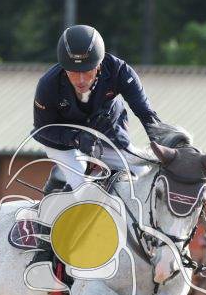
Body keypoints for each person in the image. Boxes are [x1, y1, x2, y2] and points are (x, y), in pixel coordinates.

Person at [34, 24, 173, 193]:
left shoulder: (120, 71)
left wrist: (166, 147)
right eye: (73, 72)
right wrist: (76, 138)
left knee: (143, 175)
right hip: (63, 141)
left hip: (107, 134)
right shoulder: (48, 84)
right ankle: (59, 179)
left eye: (87, 71)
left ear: (99, 65)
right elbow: (42, 129)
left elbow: (146, 114)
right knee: (83, 189)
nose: (81, 80)